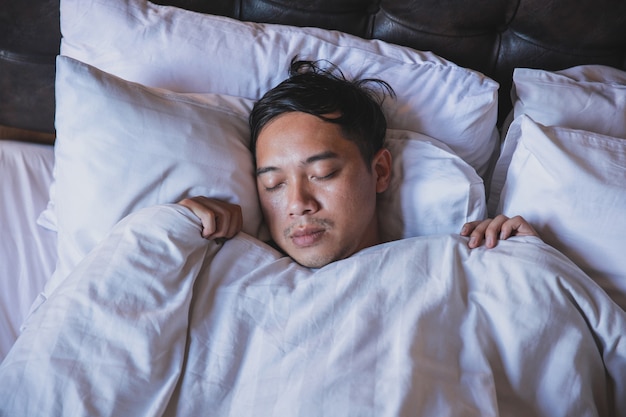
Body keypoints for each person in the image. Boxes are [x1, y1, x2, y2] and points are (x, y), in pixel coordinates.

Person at [178, 58, 538, 268]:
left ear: (380, 171)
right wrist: (178, 229)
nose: (297, 203)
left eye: (322, 174)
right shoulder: (231, 266)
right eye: (274, 184)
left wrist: (525, 261)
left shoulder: (448, 266)